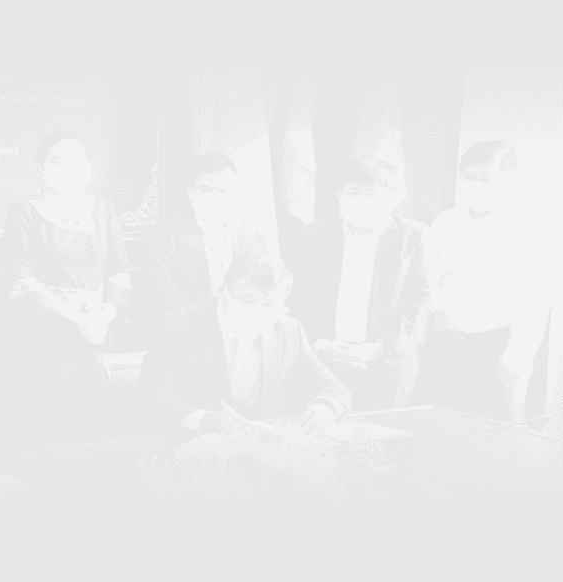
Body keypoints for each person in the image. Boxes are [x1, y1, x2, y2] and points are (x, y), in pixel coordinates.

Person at [140, 236, 352, 447]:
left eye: (269, 306)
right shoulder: (176, 326)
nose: (257, 312)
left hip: (266, 450)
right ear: (223, 293)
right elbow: (152, 397)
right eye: (248, 300)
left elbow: (334, 387)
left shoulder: (290, 331)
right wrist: (202, 419)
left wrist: (325, 407)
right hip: (197, 446)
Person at [0, 129, 135, 451]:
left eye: (77, 161)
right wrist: (72, 316)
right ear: (42, 169)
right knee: (60, 419)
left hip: (102, 326)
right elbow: (20, 276)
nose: (69, 168)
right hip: (47, 328)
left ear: (87, 167)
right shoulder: (25, 211)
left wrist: (106, 313)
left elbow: (120, 270)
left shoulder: (103, 210)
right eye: (59, 161)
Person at [412, 140, 546, 422]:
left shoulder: (528, 229)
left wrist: (516, 356)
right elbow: (429, 283)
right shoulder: (445, 222)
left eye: (485, 178)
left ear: (509, 179)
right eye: (468, 177)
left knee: (491, 432)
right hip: (444, 345)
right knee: (432, 424)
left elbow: (536, 301)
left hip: (495, 346)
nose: (474, 185)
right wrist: (426, 330)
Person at [288, 155, 429, 411]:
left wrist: (381, 346)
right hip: (319, 362)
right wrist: (319, 343)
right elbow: (298, 297)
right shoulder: (312, 235)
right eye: (353, 192)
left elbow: (418, 298)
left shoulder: (413, 236)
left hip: (380, 364)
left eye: (372, 193)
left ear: (394, 197)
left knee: (372, 429)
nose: (362, 200)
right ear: (339, 195)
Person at [148, 153, 276, 320]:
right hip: (194, 328)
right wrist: (217, 322)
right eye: (206, 189)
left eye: (223, 190)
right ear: (191, 193)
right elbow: (165, 295)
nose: (215, 197)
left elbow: (267, 284)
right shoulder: (166, 234)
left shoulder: (251, 234)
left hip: (248, 324)